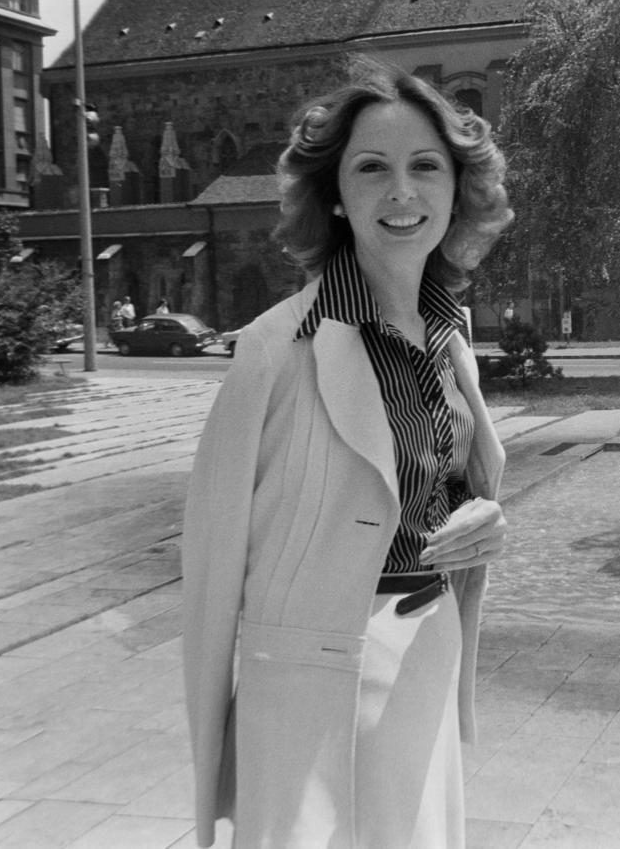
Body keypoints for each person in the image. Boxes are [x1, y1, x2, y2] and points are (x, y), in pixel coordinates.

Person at [181, 59, 514, 849]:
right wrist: (215, 768)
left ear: (455, 189)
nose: (403, 192)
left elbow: (438, 489)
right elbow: (210, 572)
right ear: (336, 193)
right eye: (373, 168)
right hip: (310, 692)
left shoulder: (450, 337)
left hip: (425, 658)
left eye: (425, 166)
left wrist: (485, 518)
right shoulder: (275, 349)